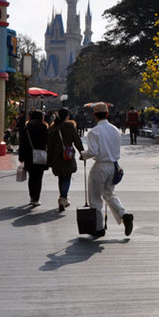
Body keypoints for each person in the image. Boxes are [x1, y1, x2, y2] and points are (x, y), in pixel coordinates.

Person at [81, 102, 134, 238]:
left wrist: (83, 155)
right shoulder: (115, 130)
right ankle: (124, 214)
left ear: (94, 115)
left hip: (100, 166)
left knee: (95, 198)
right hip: (114, 166)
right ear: (107, 114)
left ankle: (98, 228)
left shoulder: (94, 132)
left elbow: (93, 151)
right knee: (109, 194)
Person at [47, 108, 85, 212]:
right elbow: (77, 140)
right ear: (67, 116)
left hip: (56, 156)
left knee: (61, 177)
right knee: (67, 177)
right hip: (67, 155)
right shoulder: (70, 126)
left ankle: (63, 197)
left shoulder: (53, 128)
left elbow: (49, 145)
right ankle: (63, 198)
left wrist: (49, 160)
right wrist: (82, 152)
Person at [18, 110, 49, 206]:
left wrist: (21, 156)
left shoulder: (27, 128)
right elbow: (48, 141)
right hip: (40, 154)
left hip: (29, 155)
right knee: (38, 178)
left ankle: (32, 196)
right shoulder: (43, 127)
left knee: (31, 177)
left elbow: (22, 143)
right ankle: (36, 198)